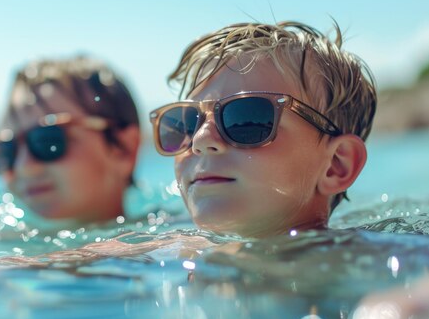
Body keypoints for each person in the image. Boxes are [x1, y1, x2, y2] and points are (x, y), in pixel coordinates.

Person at [148, 21, 377, 238]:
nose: (200, 139)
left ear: (336, 166)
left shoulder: (380, 262)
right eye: (186, 123)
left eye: (247, 117)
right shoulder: (166, 251)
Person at [0, 56, 140, 225]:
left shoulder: (167, 244)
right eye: (7, 151)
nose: (24, 167)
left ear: (124, 149)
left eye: (47, 141)